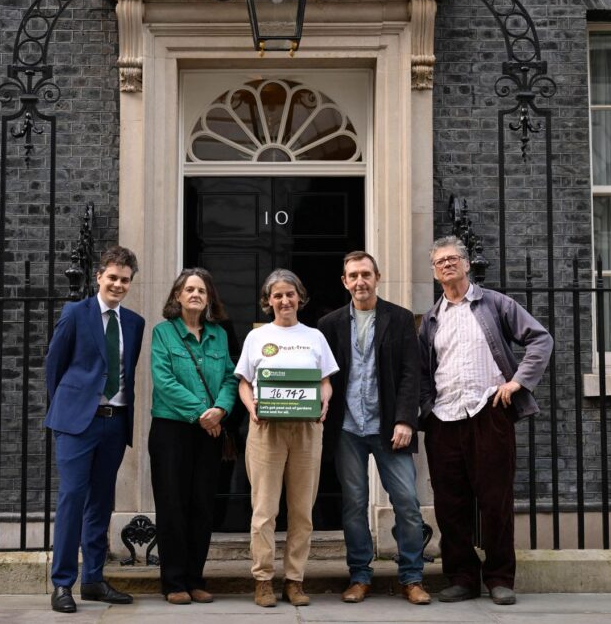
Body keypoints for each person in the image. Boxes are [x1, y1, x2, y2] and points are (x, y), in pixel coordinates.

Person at [418, 236, 552, 606]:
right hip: (444, 418)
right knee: (450, 504)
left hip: (489, 412)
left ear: (466, 264)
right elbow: (422, 371)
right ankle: (462, 578)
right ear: (434, 272)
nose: (447, 265)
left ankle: (499, 578)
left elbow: (540, 339)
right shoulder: (431, 319)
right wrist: (427, 407)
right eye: (440, 261)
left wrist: (517, 382)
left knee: (496, 501)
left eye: (453, 259)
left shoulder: (494, 303)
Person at [318, 251, 430, 605]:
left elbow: (411, 373)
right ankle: (360, 576)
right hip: (347, 428)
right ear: (344, 281)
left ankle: (411, 577)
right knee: (354, 504)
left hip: (389, 427)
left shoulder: (399, 318)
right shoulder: (329, 324)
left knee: (407, 502)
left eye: (366, 274)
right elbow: (321, 374)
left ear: (377, 277)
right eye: (353, 276)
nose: (360, 281)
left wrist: (406, 419)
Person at [44, 246, 145, 614]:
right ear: (99, 277)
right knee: (72, 498)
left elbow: (126, 372)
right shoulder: (76, 313)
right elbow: (54, 366)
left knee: (102, 501)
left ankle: (93, 580)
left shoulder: (134, 323)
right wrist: (67, 409)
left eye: (125, 280)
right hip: (77, 423)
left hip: (115, 422)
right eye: (112, 277)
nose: (118, 284)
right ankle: (62, 583)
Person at [234, 269, 339, 608]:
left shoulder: (314, 336)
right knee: (264, 509)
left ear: (299, 297)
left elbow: (325, 381)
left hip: (307, 429)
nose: (284, 301)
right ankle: (263, 580)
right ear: (268, 301)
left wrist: (325, 400)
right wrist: (251, 407)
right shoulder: (257, 337)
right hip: (266, 429)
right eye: (277, 295)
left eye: (290, 294)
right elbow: (244, 382)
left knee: (302, 510)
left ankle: (294, 580)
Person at [149, 268, 238, 605]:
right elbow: (164, 380)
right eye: (189, 289)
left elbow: (230, 378)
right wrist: (204, 413)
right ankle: (173, 582)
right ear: (178, 296)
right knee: (172, 505)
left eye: (202, 290)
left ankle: (195, 579)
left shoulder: (219, 334)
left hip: (210, 430)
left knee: (202, 506)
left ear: (209, 297)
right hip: (172, 430)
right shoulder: (163, 333)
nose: (196, 295)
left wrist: (221, 410)